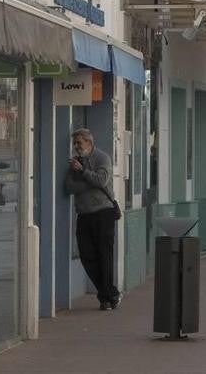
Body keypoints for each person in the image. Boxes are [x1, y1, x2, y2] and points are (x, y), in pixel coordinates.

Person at [64, 128, 121, 310]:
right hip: (84, 214)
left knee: (104, 255)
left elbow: (102, 181)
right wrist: (86, 179)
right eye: (75, 143)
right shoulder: (75, 163)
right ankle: (110, 292)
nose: (77, 146)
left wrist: (83, 172)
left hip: (104, 212)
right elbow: (69, 187)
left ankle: (105, 298)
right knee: (86, 255)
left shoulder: (102, 158)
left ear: (89, 142)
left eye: (79, 142)